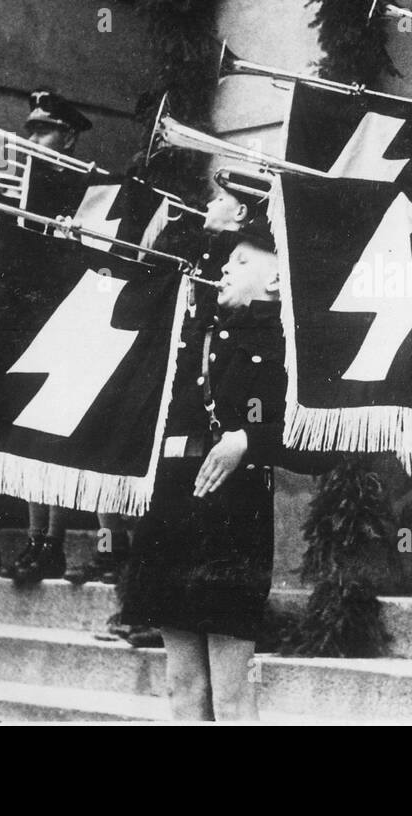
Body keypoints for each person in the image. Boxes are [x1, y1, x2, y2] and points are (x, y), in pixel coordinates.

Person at [119, 210, 328, 721]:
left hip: (231, 514)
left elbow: (318, 441)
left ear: (278, 279)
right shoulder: (190, 330)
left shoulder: (284, 343)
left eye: (241, 260)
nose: (226, 268)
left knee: (231, 693)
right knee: (181, 684)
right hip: (169, 501)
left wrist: (248, 441)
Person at [0, 88, 106, 584]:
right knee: (27, 433)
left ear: (67, 136)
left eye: (43, 131)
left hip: (68, 317)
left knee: (56, 434)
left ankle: (55, 542)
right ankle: (36, 538)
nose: (32, 139)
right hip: (27, 316)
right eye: (31, 130)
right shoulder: (25, 182)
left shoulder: (87, 185)